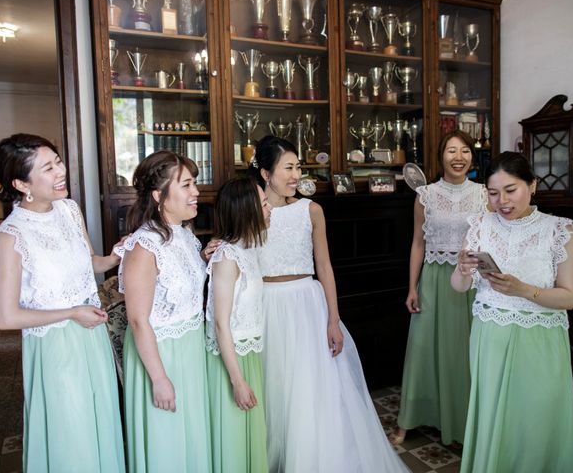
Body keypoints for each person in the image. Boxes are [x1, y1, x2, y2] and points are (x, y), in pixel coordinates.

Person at [249, 135, 409, 473]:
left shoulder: (311, 209)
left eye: (298, 167)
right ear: (265, 173)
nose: (296, 175)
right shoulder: (251, 211)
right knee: (274, 389)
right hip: (266, 308)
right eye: (288, 168)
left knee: (311, 390)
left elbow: (324, 267)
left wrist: (333, 320)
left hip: (307, 305)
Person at [0, 133, 125, 472]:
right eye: (47, 168)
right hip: (55, 346)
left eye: (58, 161)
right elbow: (5, 317)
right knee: (71, 434)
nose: (60, 172)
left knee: (99, 422)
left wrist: (115, 257)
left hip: (91, 335)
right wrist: (71, 312)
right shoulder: (11, 236)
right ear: (21, 183)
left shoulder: (69, 210)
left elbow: (87, 262)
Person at [452, 152, 573, 473]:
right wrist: (462, 268)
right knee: (494, 417)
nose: (502, 201)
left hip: (539, 340)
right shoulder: (480, 224)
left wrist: (523, 289)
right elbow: (458, 286)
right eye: (493, 193)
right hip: (489, 336)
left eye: (511, 190)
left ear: (532, 185)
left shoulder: (560, 230)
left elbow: (570, 297)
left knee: (534, 420)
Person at [119, 151, 215, 472]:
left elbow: (177, 281)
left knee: (192, 436)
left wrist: (204, 257)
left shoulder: (184, 233)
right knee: (168, 442)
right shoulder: (144, 246)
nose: (196, 192)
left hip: (190, 348)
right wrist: (159, 379)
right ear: (160, 196)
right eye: (186, 185)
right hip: (160, 354)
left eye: (194, 183)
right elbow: (137, 319)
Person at [390, 130, 488, 446]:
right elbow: (418, 243)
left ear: (472, 156)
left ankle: (465, 422)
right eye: (451, 151)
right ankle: (412, 418)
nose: (458, 157)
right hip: (432, 280)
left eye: (464, 151)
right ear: (440, 156)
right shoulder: (426, 195)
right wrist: (412, 287)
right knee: (423, 349)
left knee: (465, 352)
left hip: (471, 282)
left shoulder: (486, 194)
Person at [205, 177, 272, 473]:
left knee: (251, 436)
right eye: (265, 203)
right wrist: (237, 380)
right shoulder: (227, 257)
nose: (270, 209)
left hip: (249, 354)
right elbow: (221, 323)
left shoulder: (247, 251)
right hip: (229, 362)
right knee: (233, 440)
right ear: (247, 210)